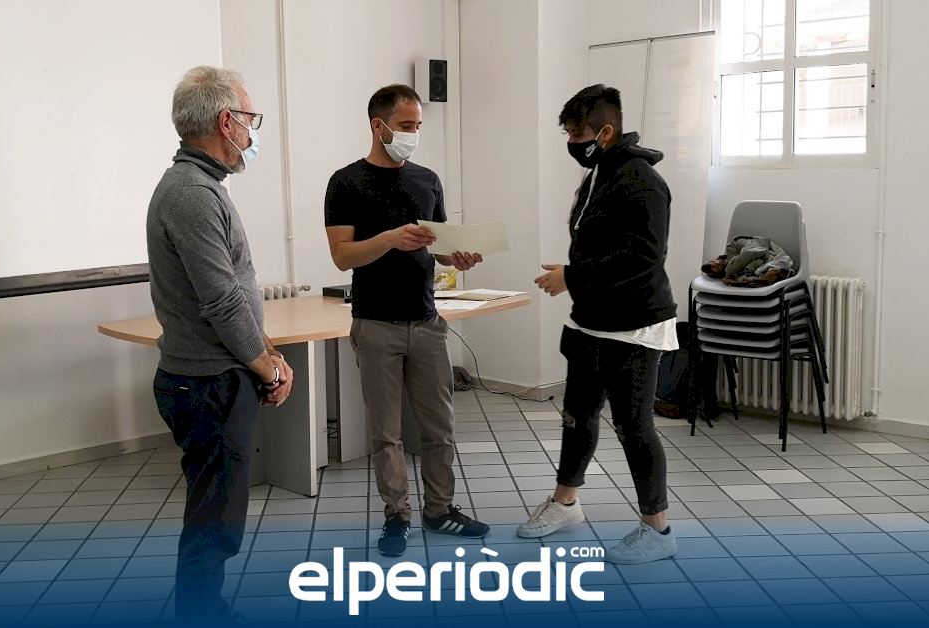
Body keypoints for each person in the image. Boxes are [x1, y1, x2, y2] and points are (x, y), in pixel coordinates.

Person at [146, 66, 294, 622]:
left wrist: (268, 353)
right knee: (215, 520)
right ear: (227, 122)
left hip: (214, 375)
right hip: (207, 382)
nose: (254, 133)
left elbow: (236, 291)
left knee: (215, 511)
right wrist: (269, 368)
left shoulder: (202, 187)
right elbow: (222, 302)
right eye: (252, 120)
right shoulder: (192, 194)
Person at [324, 84, 489, 557]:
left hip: (427, 320)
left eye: (418, 125)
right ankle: (396, 515)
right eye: (406, 126)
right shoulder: (346, 183)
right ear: (378, 125)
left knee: (440, 427)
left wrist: (457, 256)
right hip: (376, 323)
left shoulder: (427, 180)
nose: (414, 133)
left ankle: (440, 509)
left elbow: (440, 247)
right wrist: (389, 239)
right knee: (386, 432)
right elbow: (342, 256)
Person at [520, 84, 680, 564]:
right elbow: (600, 244)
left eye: (577, 133)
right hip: (591, 320)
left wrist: (571, 276)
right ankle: (566, 502)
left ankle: (658, 530)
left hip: (635, 326)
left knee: (634, 427)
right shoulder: (598, 174)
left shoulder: (642, 181)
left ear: (605, 132)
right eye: (568, 133)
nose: (572, 142)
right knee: (577, 416)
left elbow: (643, 258)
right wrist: (574, 275)